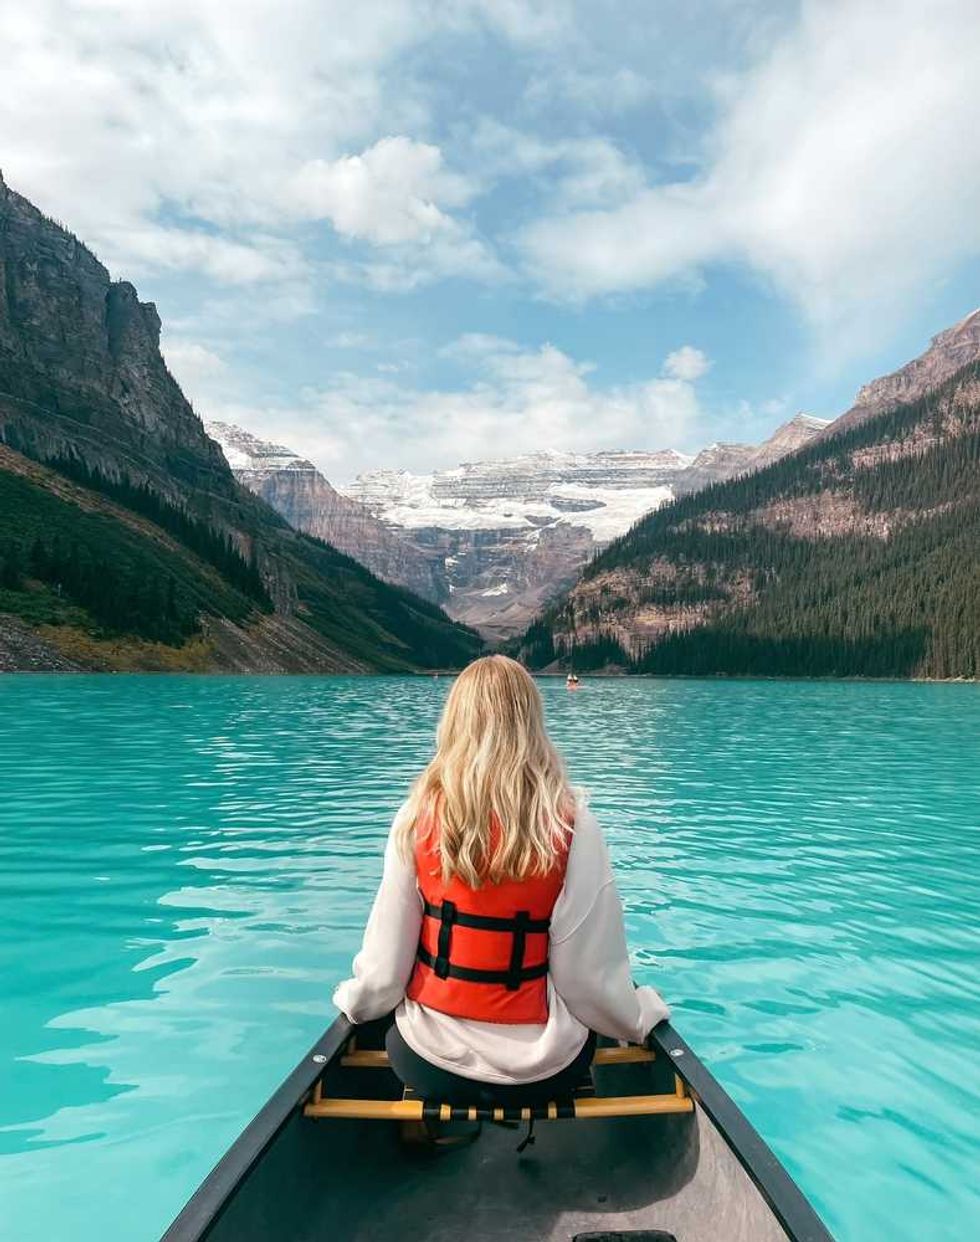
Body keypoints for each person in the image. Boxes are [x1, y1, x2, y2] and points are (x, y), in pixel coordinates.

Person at [333, 654, 669, 1108]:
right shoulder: (573, 826)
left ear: (454, 722)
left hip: (431, 1063)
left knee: (388, 1025)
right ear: (532, 722)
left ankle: (424, 1134)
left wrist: (354, 1001)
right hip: (547, 1070)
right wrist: (639, 1017)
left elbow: (385, 973)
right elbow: (588, 983)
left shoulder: (416, 820)